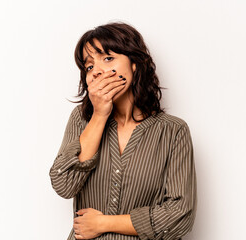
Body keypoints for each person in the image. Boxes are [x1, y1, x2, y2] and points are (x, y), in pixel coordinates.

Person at [49, 21, 197, 240]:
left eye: (108, 58)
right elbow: (64, 185)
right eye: (89, 66)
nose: (97, 71)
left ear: (134, 64)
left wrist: (103, 223)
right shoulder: (82, 120)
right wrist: (99, 115)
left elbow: (180, 215)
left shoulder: (173, 131)